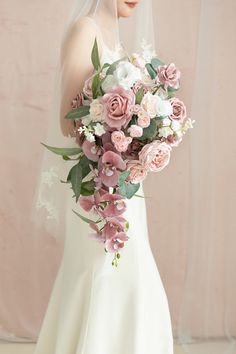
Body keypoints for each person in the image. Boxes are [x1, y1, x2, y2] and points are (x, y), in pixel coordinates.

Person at [33, 1, 174, 353]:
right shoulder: (86, 30)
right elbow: (69, 120)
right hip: (96, 186)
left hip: (123, 179)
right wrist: (117, 126)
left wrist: (144, 132)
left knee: (132, 267)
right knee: (103, 271)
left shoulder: (117, 37)